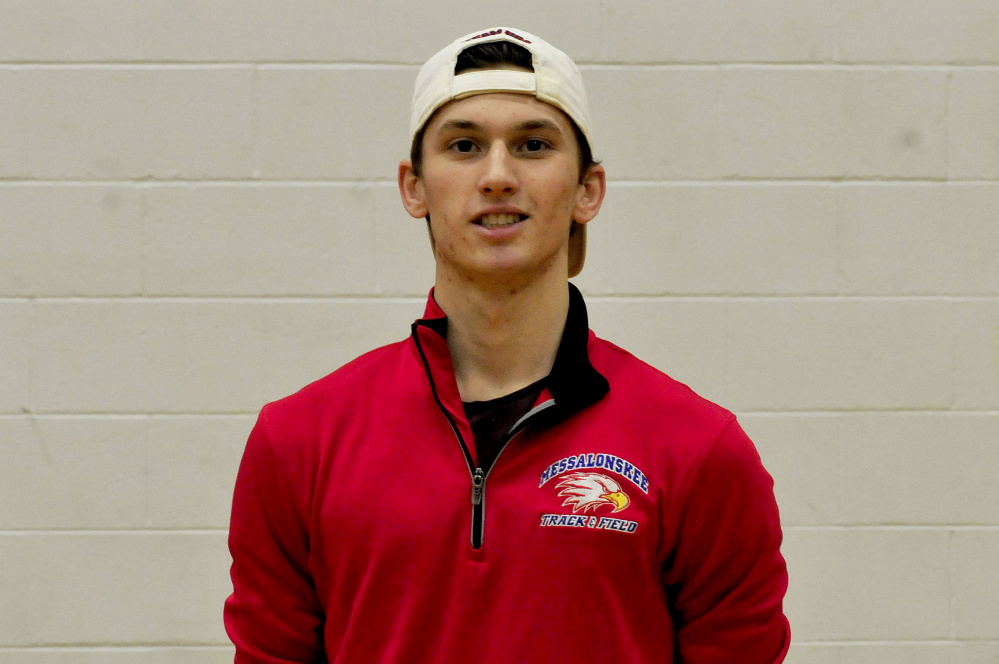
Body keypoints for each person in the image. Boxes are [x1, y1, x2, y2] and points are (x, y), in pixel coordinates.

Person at [225, 27, 790, 664]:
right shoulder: (299, 443)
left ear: (588, 191)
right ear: (414, 186)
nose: (498, 176)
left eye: (533, 145)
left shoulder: (698, 451)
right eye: (464, 145)